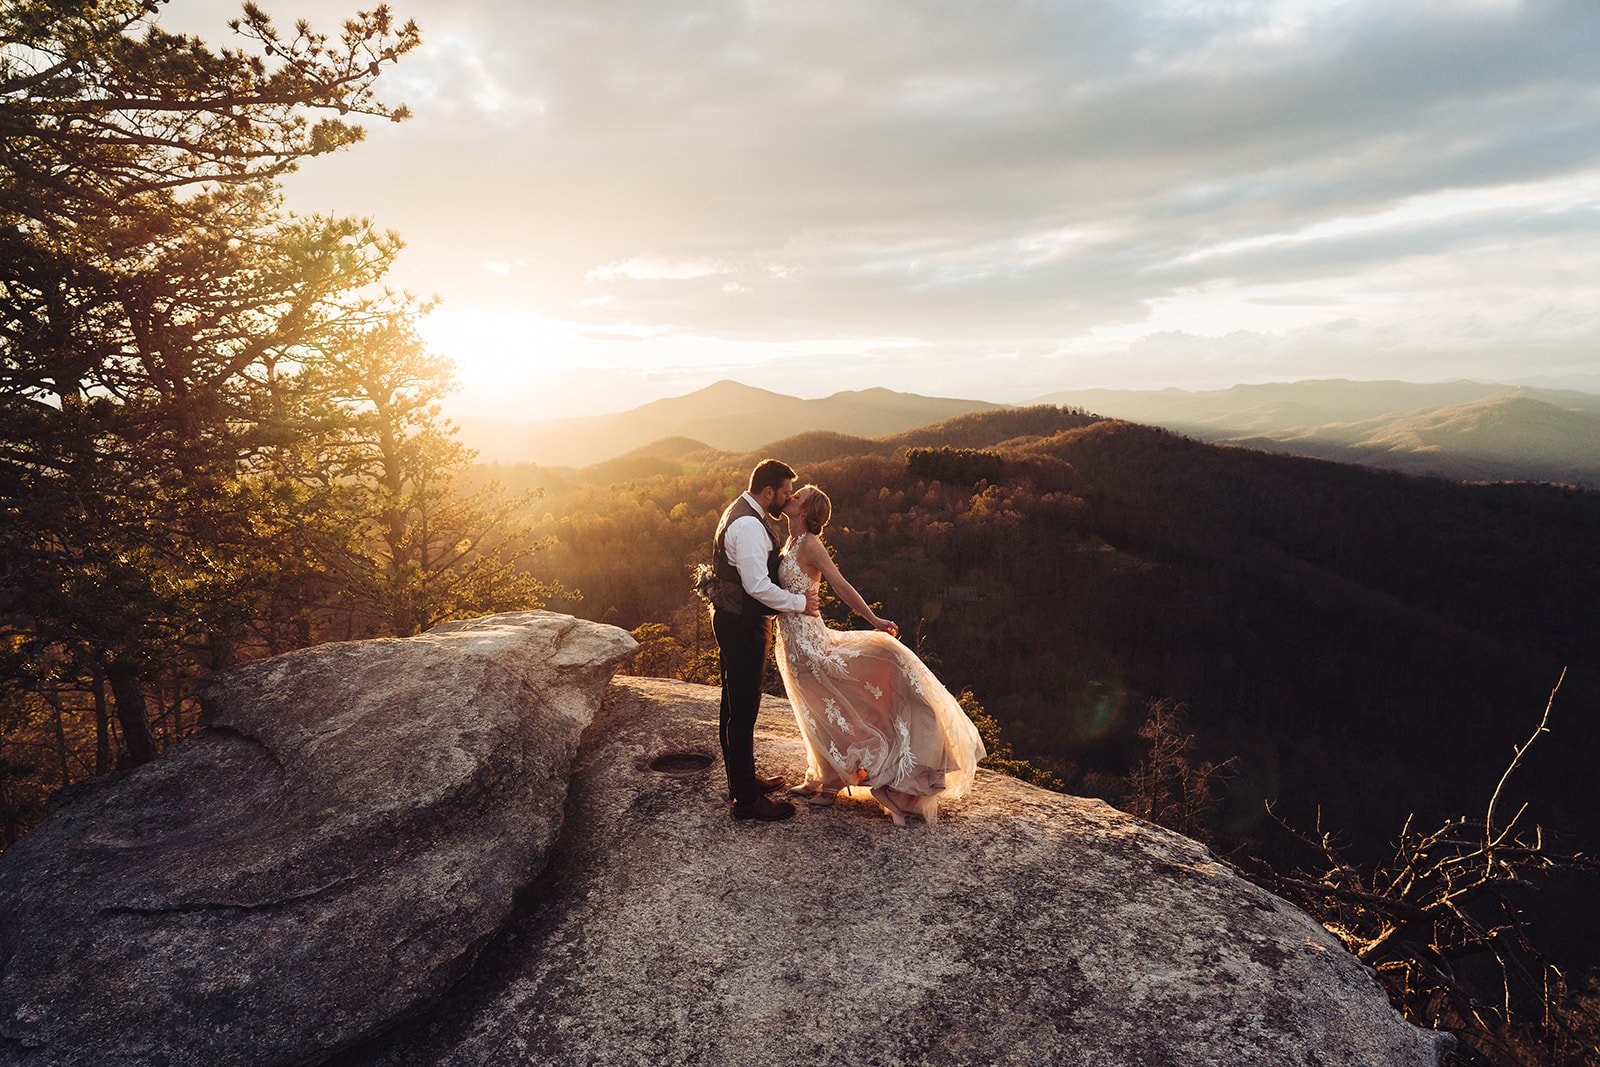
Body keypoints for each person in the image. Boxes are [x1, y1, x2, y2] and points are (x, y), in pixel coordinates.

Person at [774, 485, 986, 825]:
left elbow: (840, 584)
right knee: (811, 709)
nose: (791, 496)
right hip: (790, 641)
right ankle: (823, 776)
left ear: (806, 510)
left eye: (798, 495)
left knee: (829, 708)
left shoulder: (811, 546)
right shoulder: (790, 542)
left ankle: (837, 784)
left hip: (811, 641)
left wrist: (872, 619)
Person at [708, 459, 821, 821]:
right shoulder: (750, 525)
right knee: (742, 711)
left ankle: (742, 780)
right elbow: (758, 586)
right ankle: (746, 800)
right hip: (742, 623)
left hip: (733, 618)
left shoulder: (742, 512)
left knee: (733, 704)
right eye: (785, 491)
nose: (787, 497)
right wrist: (798, 603)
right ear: (768, 491)